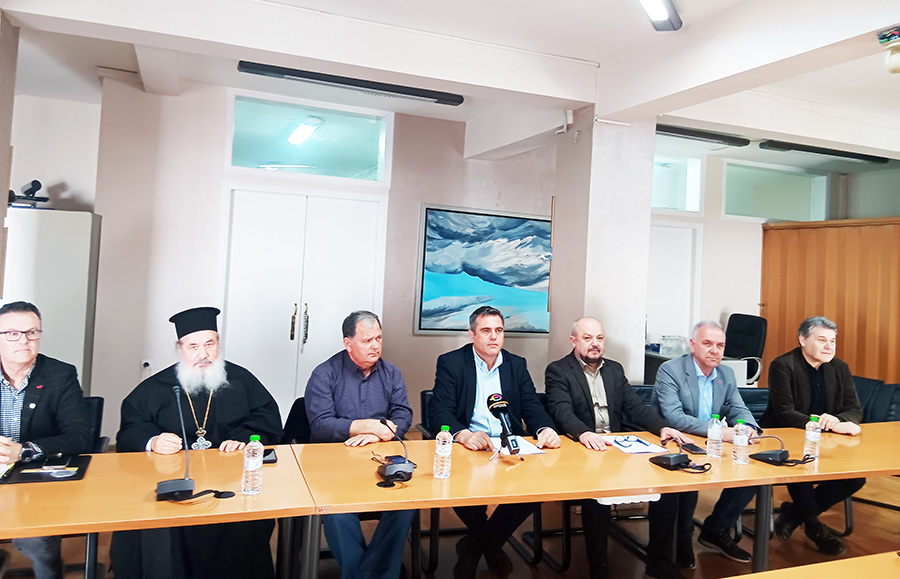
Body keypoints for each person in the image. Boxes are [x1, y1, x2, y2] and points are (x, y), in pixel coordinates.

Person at [111, 306, 283, 579]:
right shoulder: (155, 387)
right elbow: (130, 429)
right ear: (180, 349)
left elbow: (267, 419)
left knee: (246, 522)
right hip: (173, 483)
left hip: (229, 483)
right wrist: (153, 441)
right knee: (150, 521)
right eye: (193, 346)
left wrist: (242, 439)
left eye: (209, 344)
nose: (203, 354)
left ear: (218, 344)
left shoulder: (241, 380)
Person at [545, 317, 695, 579]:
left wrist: (662, 427)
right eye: (587, 338)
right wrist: (584, 433)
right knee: (597, 493)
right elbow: (561, 411)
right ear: (573, 341)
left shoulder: (614, 370)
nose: (595, 344)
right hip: (582, 449)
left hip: (616, 447)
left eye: (599, 338)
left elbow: (635, 407)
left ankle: (659, 559)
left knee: (667, 485)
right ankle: (599, 567)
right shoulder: (558, 370)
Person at [430, 305, 560, 579]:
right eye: (486, 330)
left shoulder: (516, 364)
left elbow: (532, 407)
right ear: (472, 335)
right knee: (464, 489)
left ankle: (473, 545)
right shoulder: (452, 363)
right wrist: (464, 434)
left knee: (537, 489)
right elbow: (440, 412)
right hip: (469, 446)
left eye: (498, 330)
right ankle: (491, 545)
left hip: (508, 445)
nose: (493, 337)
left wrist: (545, 428)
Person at [304, 310, 415, 579]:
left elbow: (403, 414)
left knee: (406, 505)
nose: (375, 345)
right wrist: (367, 425)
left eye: (378, 338)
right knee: (337, 513)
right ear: (348, 343)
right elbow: (320, 424)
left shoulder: (391, 373)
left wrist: (379, 434)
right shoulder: (324, 373)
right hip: (335, 465)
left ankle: (372, 573)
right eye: (367, 340)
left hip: (381, 459)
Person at [652, 320, 760, 565]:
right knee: (687, 479)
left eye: (720, 346)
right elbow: (674, 417)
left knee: (752, 474)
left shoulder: (726, 374)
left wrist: (748, 427)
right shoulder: (670, 370)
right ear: (693, 345)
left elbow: (739, 408)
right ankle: (680, 540)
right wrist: (721, 433)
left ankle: (716, 529)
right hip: (674, 441)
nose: (714, 350)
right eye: (708, 343)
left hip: (710, 443)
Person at [0, 301, 91, 579]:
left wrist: (24, 451)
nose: (24, 340)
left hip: (34, 476)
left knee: (39, 542)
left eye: (32, 332)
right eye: (12, 333)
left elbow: (79, 436)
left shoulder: (60, 375)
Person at [761, 316, 864, 555]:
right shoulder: (783, 365)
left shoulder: (839, 367)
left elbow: (855, 409)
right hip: (785, 437)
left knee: (856, 478)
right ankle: (814, 526)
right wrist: (823, 424)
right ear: (803, 340)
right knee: (802, 472)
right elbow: (785, 414)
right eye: (821, 340)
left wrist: (838, 421)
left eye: (833, 341)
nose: (829, 346)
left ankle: (793, 514)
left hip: (827, 441)